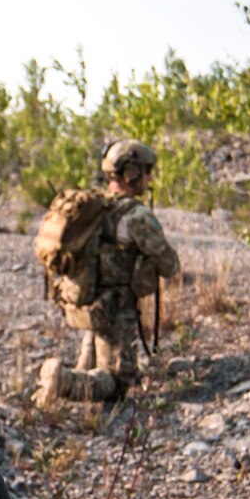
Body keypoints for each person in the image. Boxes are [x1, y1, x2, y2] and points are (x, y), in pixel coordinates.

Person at [33, 139, 180, 407]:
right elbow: (169, 265)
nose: (149, 178)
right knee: (117, 384)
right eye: (146, 171)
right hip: (113, 311)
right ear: (132, 173)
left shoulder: (97, 206)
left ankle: (82, 366)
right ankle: (64, 380)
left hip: (85, 303)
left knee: (103, 347)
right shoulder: (136, 216)